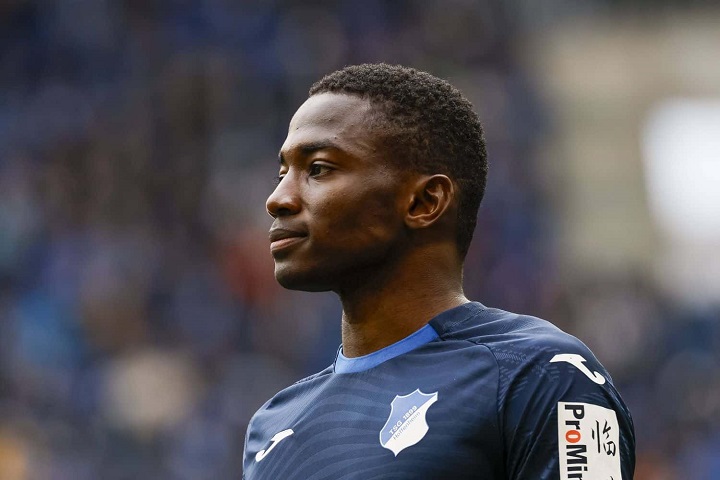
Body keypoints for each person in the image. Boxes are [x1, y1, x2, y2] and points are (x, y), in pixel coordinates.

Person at [243, 63, 635, 479]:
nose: (277, 198)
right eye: (282, 173)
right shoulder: (272, 427)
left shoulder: (542, 373)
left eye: (318, 169)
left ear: (424, 202)